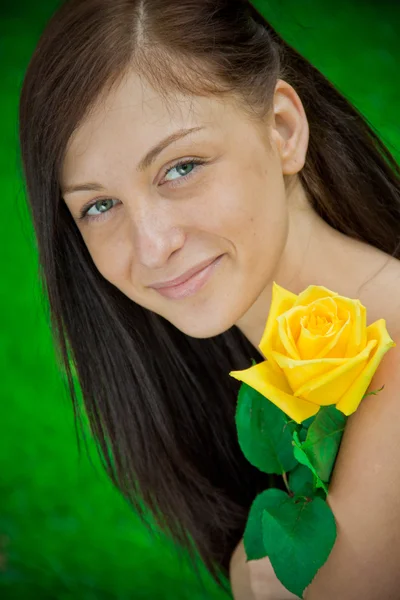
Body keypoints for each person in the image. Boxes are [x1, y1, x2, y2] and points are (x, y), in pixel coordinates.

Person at [19, 0, 400, 598]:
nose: (152, 247)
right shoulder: (240, 381)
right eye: (98, 205)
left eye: (181, 167)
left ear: (282, 130)